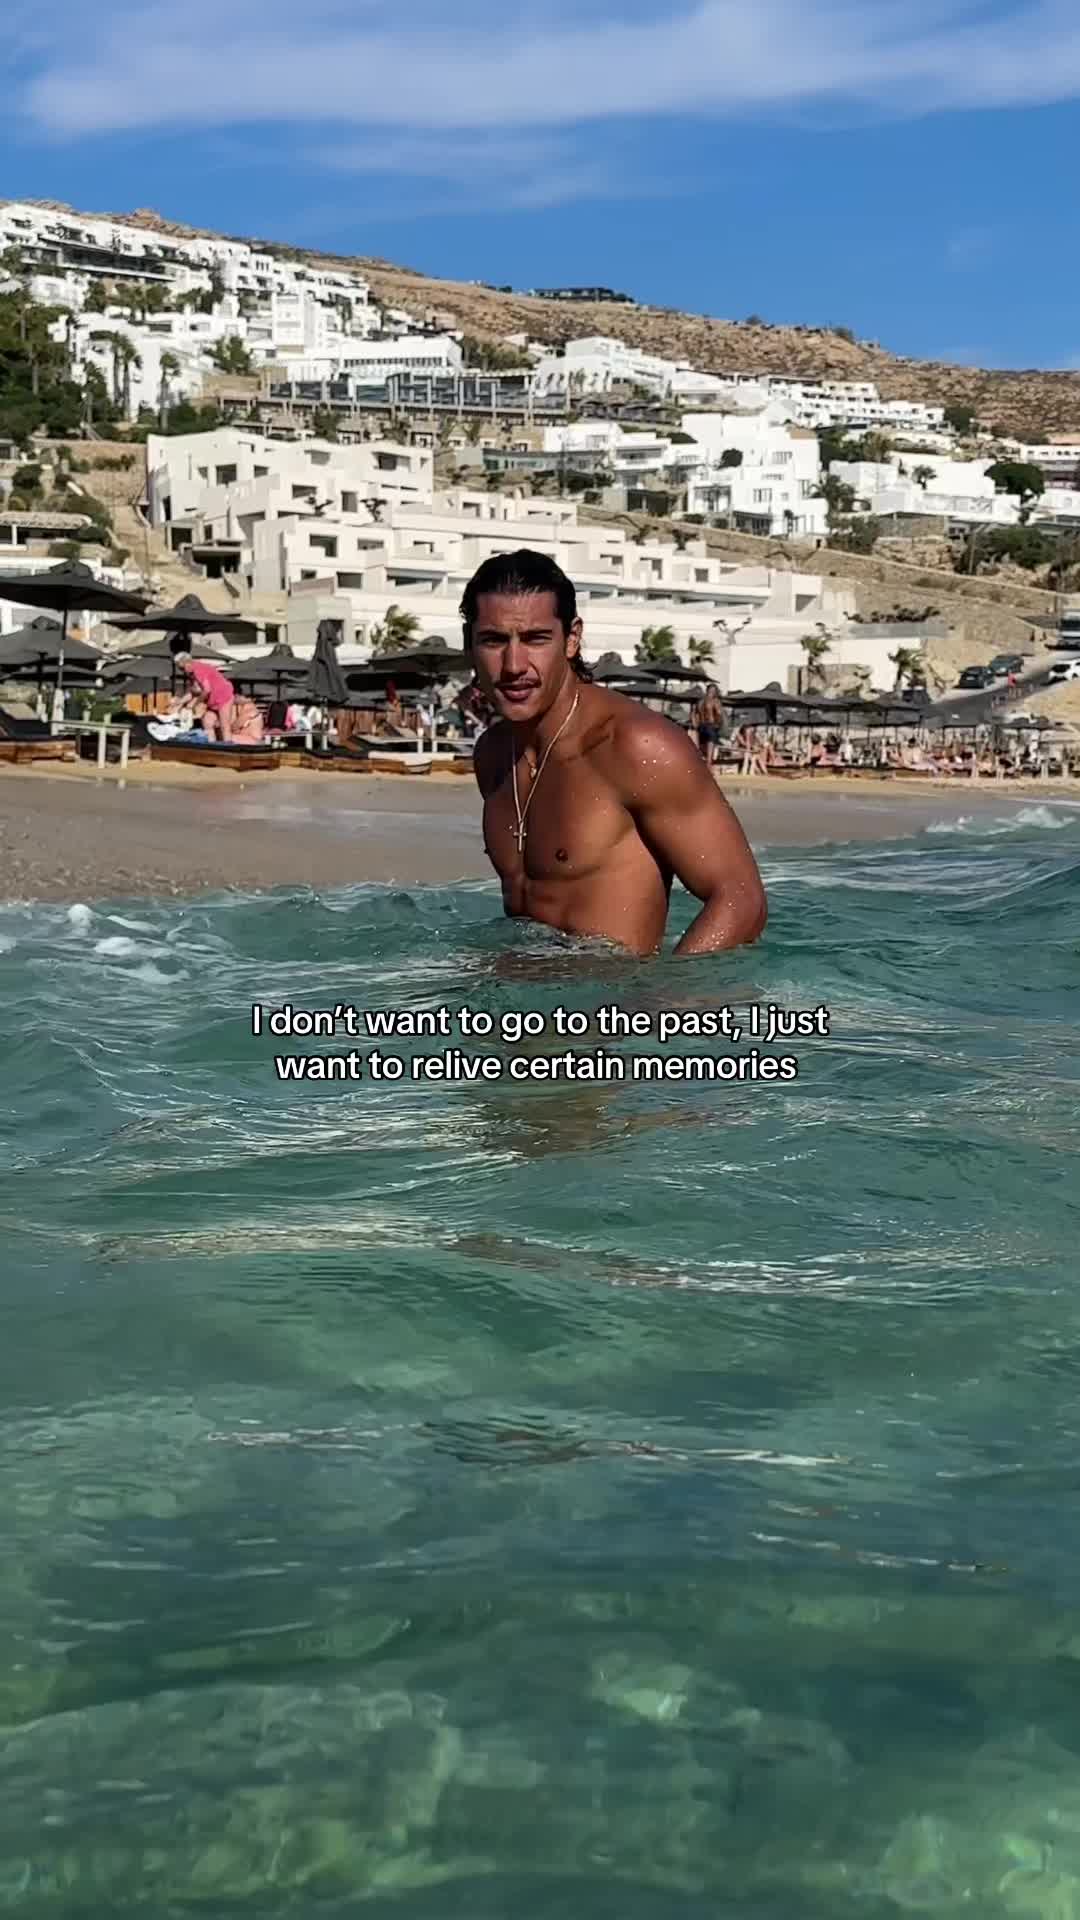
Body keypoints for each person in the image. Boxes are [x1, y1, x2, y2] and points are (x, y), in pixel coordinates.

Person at [465, 549, 766, 957]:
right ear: (469, 644)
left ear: (572, 639)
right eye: (494, 640)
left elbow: (741, 899)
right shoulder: (493, 755)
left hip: (613, 992)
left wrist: (670, 992)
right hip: (515, 991)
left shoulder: (635, 746)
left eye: (536, 639)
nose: (514, 664)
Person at [175, 652, 236, 742]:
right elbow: (193, 692)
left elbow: (207, 690)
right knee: (207, 721)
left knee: (224, 725)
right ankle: (212, 746)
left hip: (224, 697)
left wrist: (196, 704)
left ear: (188, 663)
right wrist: (179, 702)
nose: (182, 671)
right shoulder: (192, 674)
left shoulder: (198, 669)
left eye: (182, 668)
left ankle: (228, 747)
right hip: (213, 702)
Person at [692, 682, 724, 765]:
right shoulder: (715, 701)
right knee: (709, 756)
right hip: (711, 727)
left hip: (701, 727)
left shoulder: (700, 701)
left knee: (702, 752)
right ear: (715, 691)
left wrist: (695, 725)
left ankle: (702, 767)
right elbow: (719, 713)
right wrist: (719, 725)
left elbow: (694, 714)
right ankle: (708, 767)